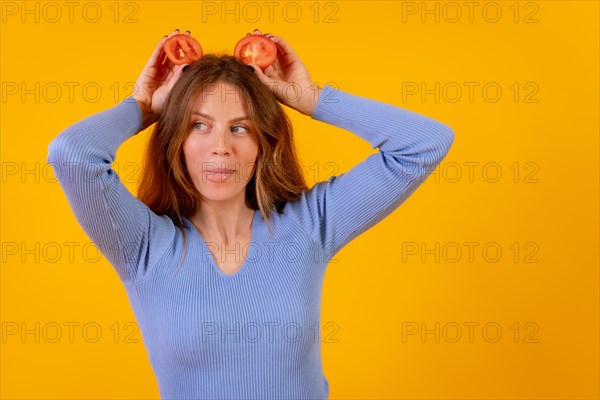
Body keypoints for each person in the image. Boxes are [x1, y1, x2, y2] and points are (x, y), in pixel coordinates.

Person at [47, 28, 454, 399]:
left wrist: (311, 98)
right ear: (175, 139)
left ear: (263, 143)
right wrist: (142, 106)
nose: (221, 146)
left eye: (240, 128)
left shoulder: (310, 224)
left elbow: (424, 144)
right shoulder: (142, 244)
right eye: (199, 125)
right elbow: (72, 156)